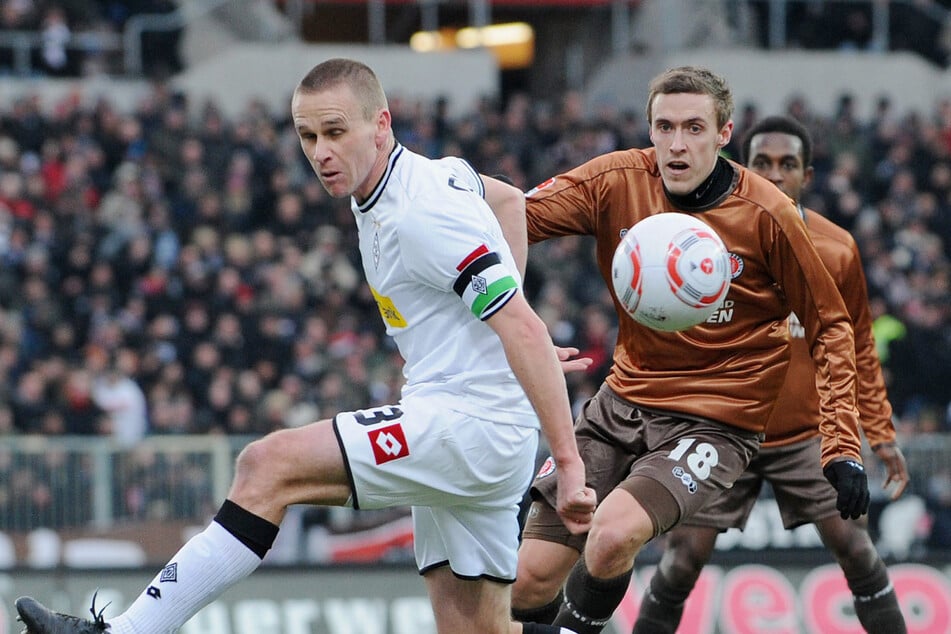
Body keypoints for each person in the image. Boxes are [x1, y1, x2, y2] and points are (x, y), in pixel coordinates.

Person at [14, 58, 596, 634]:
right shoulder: (434, 177)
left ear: (382, 124)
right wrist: (500, 341)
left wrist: (567, 464)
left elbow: (521, 326)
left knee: (268, 466)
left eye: (336, 132)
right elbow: (509, 202)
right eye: (308, 135)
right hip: (469, 420)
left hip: (472, 426)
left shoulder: (420, 215)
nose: (320, 152)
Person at [504, 66, 871, 634]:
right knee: (527, 580)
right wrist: (513, 322)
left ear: (724, 134)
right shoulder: (615, 181)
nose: (677, 144)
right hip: (620, 405)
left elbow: (830, 325)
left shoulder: (768, 215)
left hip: (716, 421)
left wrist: (843, 445)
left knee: (611, 534)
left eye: (694, 128)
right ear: (649, 130)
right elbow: (512, 219)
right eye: (665, 127)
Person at [631, 115, 910, 633]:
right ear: (742, 167)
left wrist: (879, 432)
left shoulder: (837, 248)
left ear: (807, 174)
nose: (775, 175)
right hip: (719, 427)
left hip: (804, 435)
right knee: (680, 563)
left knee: (856, 549)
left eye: (787, 165)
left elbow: (860, 348)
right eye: (762, 163)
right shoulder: (703, 246)